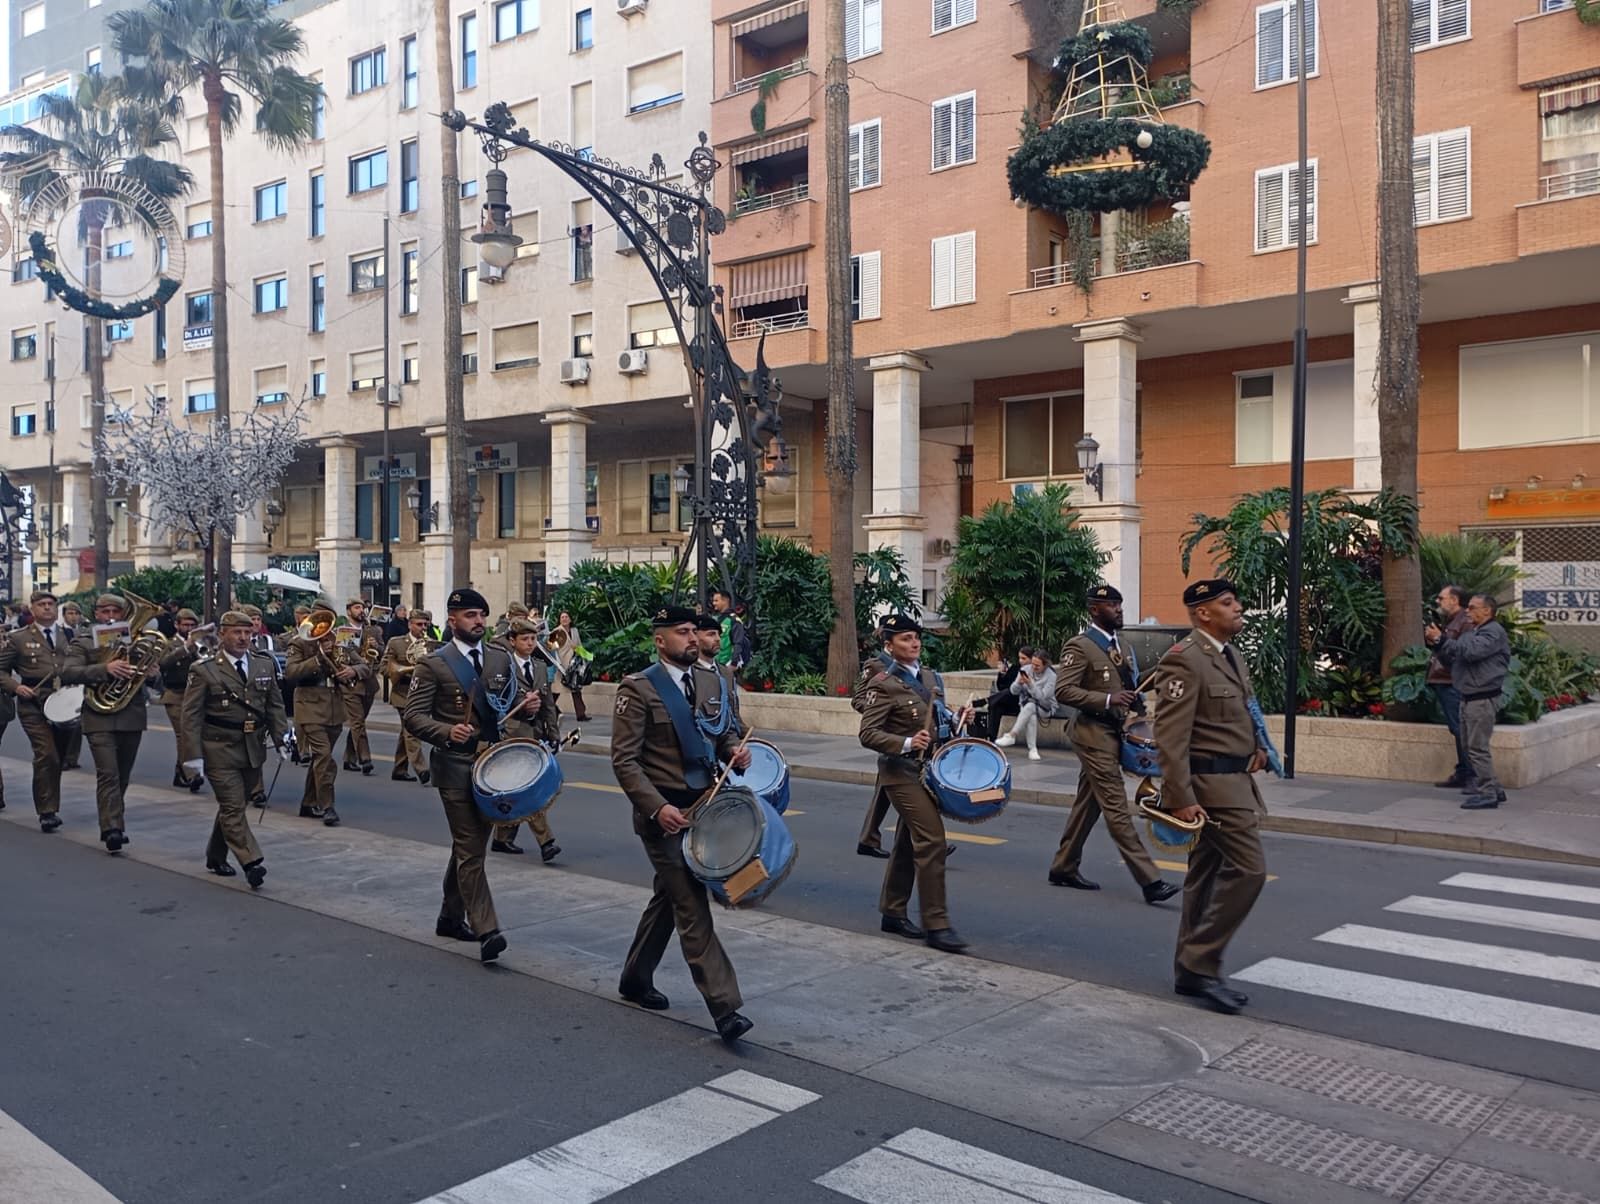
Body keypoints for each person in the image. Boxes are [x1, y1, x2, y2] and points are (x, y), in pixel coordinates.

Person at [611, 605, 755, 1043]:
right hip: (665, 818)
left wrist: (734, 750)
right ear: (660, 640)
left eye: (694, 631)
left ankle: (635, 978)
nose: (692, 638)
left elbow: (722, 731)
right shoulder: (638, 689)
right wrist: (656, 808)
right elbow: (625, 760)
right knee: (692, 904)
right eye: (682, 632)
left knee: (669, 900)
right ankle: (725, 1006)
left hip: (706, 807)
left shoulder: (712, 680)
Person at [1152, 579, 1270, 1015]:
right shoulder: (1185, 661)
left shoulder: (1228, 655)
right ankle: (1201, 962)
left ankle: (1188, 973)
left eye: (1236, 600)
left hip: (1236, 782)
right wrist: (1179, 796)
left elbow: (1237, 711)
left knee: (1203, 878)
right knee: (1250, 870)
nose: (1238, 607)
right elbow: (1170, 736)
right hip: (1211, 791)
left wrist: (1256, 747)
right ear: (1203, 613)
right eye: (1227, 602)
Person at [403, 587, 519, 963]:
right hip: (454, 767)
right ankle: (487, 928)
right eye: (470, 616)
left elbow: (510, 704)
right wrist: (445, 732)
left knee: (469, 846)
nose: (479, 622)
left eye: (482, 615)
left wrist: (528, 708)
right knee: (471, 848)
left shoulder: (500, 658)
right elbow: (413, 716)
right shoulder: (435, 663)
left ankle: (449, 917)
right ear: (452, 621)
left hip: (492, 768)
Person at [1049, 585, 1179, 903]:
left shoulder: (1120, 644)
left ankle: (1063, 866)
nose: (1119, 610)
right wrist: (1107, 698)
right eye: (1111, 605)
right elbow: (1063, 691)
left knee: (1088, 804)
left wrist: (1164, 667)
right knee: (1117, 809)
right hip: (1092, 735)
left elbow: (1131, 686)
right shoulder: (1079, 646)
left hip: (1113, 732)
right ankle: (1150, 881)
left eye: (1119, 604)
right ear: (1094, 609)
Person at [858, 614, 973, 954]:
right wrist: (907, 743)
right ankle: (936, 924)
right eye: (905, 639)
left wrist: (956, 720)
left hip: (929, 772)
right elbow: (867, 733)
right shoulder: (883, 682)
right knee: (933, 840)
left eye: (916, 637)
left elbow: (938, 717)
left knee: (909, 842)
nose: (914, 643)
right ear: (889, 645)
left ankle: (892, 911)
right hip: (900, 772)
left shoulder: (929, 677)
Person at [181, 611, 290, 889]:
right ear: (222, 634)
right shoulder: (204, 669)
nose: (243, 638)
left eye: (247, 633)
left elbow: (274, 708)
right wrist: (192, 758)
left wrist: (283, 739)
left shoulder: (263, 665)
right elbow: (190, 717)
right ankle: (251, 861)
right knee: (232, 805)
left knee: (235, 806)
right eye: (236, 632)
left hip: (252, 747)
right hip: (218, 746)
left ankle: (215, 856)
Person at [60, 593, 156, 853]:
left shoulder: (135, 640)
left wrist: (151, 672)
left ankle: (114, 818)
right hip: (98, 714)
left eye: (116, 610)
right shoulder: (84, 640)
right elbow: (67, 672)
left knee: (122, 776)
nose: (111, 616)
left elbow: (153, 679)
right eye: (105, 611)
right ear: (96, 613)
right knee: (108, 773)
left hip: (131, 714)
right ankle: (112, 828)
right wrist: (105, 669)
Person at [1426, 594, 1511, 811]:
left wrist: (1444, 640)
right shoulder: (1474, 632)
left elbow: (1471, 652)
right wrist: (1438, 645)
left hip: (1481, 699)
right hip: (1468, 696)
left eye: (1473, 608)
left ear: (1487, 611)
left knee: (1477, 748)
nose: (1468, 611)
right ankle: (1494, 788)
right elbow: (1455, 659)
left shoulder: (1493, 633)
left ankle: (1488, 793)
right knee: (1469, 746)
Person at [490, 618, 564, 862]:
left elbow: (548, 706)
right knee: (528, 789)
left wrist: (553, 734)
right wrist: (521, 707)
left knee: (515, 788)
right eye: (524, 639)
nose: (530, 643)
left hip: (535, 734)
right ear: (513, 641)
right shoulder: (503, 666)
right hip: (511, 734)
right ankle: (547, 842)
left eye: (533, 638)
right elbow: (494, 701)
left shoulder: (540, 666)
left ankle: (502, 838)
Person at [284, 612, 368, 826]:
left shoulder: (340, 641)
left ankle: (308, 801)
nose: (323, 632)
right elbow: (291, 673)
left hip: (334, 708)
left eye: (326, 627)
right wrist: (319, 658)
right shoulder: (299, 644)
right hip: (309, 706)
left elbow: (364, 666)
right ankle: (327, 806)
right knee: (324, 758)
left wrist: (352, 671)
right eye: (319, 627)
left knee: (320, 758)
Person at [0, 591, 72, 828]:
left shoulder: (68, 635)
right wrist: (16, 687)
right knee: (46, 753)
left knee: (58, 758)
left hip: (64, 703)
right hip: (33, 703)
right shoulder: (19, 638)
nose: (47, 608)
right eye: (42, 604)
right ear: (32, 610)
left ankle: (51, 802)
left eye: (51, 604)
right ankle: (47, 811)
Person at [1426, 585, 1475, 791]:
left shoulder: (1464, 622)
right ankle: (1463, 773)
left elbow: (1459, 653)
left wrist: (1439, 639)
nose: (1438, 602)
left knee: (1461, 730)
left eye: (1441, 598)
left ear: (1454, 600)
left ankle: (1472, 777)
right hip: (1445, 680)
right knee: (1457, 729)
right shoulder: (1454, 621)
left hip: (1452, 682)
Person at [380, 609, 434, 783]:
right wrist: (404, 672)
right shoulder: (396, 643)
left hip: (423, 694)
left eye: (426, 624)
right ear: (410, 624)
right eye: (419, 624)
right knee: (412, 730)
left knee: (406, 730)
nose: (423, 628)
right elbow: (383, 668)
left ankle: (399, 768)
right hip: (403, 693)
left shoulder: (431, 644)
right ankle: (422, 769)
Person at [159, 608, 206, 793]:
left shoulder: (201, 643)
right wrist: (185, 648)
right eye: (185, 625)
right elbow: (163, 663)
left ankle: (180, 772)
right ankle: (191, 774)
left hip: (195, 695)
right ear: (177, 625)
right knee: (184, 735)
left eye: (192, 625)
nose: (188, 628)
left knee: (194, 735)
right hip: (175, 694)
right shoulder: (169, 644)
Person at [340, 598, 382, 774]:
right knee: (357, 722)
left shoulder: (372, 629)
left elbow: (382, 649)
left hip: (369, 683)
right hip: (351, 683)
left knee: (359, 722)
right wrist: (361, 665)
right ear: (349, 611)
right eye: (357, 607)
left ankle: (349, 758)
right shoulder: (344, 630)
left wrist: (376, 646)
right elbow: (345, 651)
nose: (361, 610)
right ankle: (365, 758)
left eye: (363, 607)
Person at [999, 649, 1057, 761]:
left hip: (1046, 707)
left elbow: (1042, 697)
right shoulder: (1025, 670)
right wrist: (1018, 683)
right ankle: (1033, 750)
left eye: (1037, 666)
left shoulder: (1051, 676)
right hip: (1026, 705)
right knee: (1031, 714)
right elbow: (1013, 691)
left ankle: (1012, 735)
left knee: (1030, 707)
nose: (1034, 668)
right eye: (1033, 664)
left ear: (1045, 665)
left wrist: (1030, 684)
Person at [57, 600, 86, 769]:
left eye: (76, 614)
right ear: (64, 615)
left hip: (81, 679)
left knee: (78, 723)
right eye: (70, 613)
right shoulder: (60, 633)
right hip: (64, 679)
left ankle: (72, 757)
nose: (73, 617)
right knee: (65, 721)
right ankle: (63, 756)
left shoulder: (84, 633)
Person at [551, 610, 590, 721]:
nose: (564, 619)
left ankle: (581, 714)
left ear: (570, 619)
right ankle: (548, 710)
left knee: (576, 689)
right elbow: (551, 649)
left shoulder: (575, 631)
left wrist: (587, 657)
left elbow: (579, 646)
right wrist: (557, 663)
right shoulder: (556, 631)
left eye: (566, 617)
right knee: (556, 690)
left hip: (574, 665)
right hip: (561, 666)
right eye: (562, 617)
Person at [710, 587, 753, 671]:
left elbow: (738, 643)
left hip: (727, 665)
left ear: (725, 601)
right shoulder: (718, 619)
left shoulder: (734, 620)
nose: (713, 603)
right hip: (717, 664)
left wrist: (733, 663)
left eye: (716, 601)